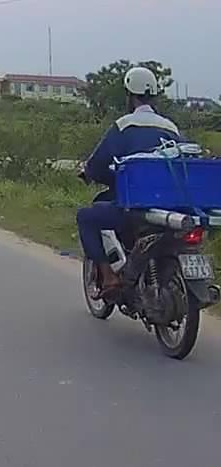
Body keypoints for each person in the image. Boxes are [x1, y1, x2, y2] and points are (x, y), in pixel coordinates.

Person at [78, 66, 184, 298]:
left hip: (136, 207)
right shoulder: (171, 128)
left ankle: (109, 277)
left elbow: (96, 166)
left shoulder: (124, 126)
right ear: (154, 96)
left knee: (86, 217)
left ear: (130, 96)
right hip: (172, 205)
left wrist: (94, 174)